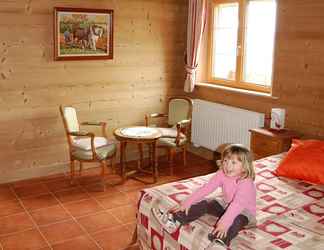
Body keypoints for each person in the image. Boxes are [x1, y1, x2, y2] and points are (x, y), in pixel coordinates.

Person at [156, 144, 256, 247]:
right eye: (226, 161)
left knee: (235, 221)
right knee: (206, 203)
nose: (228, 166)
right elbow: (206, 188)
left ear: (244, 167)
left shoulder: (246, 182)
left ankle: (219, 242)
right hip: (225, 203)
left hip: (244, 211)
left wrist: (224, 222)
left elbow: (237, 204)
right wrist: (187, 202)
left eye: (234, 163)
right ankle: (175, 220)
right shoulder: (222, 173)